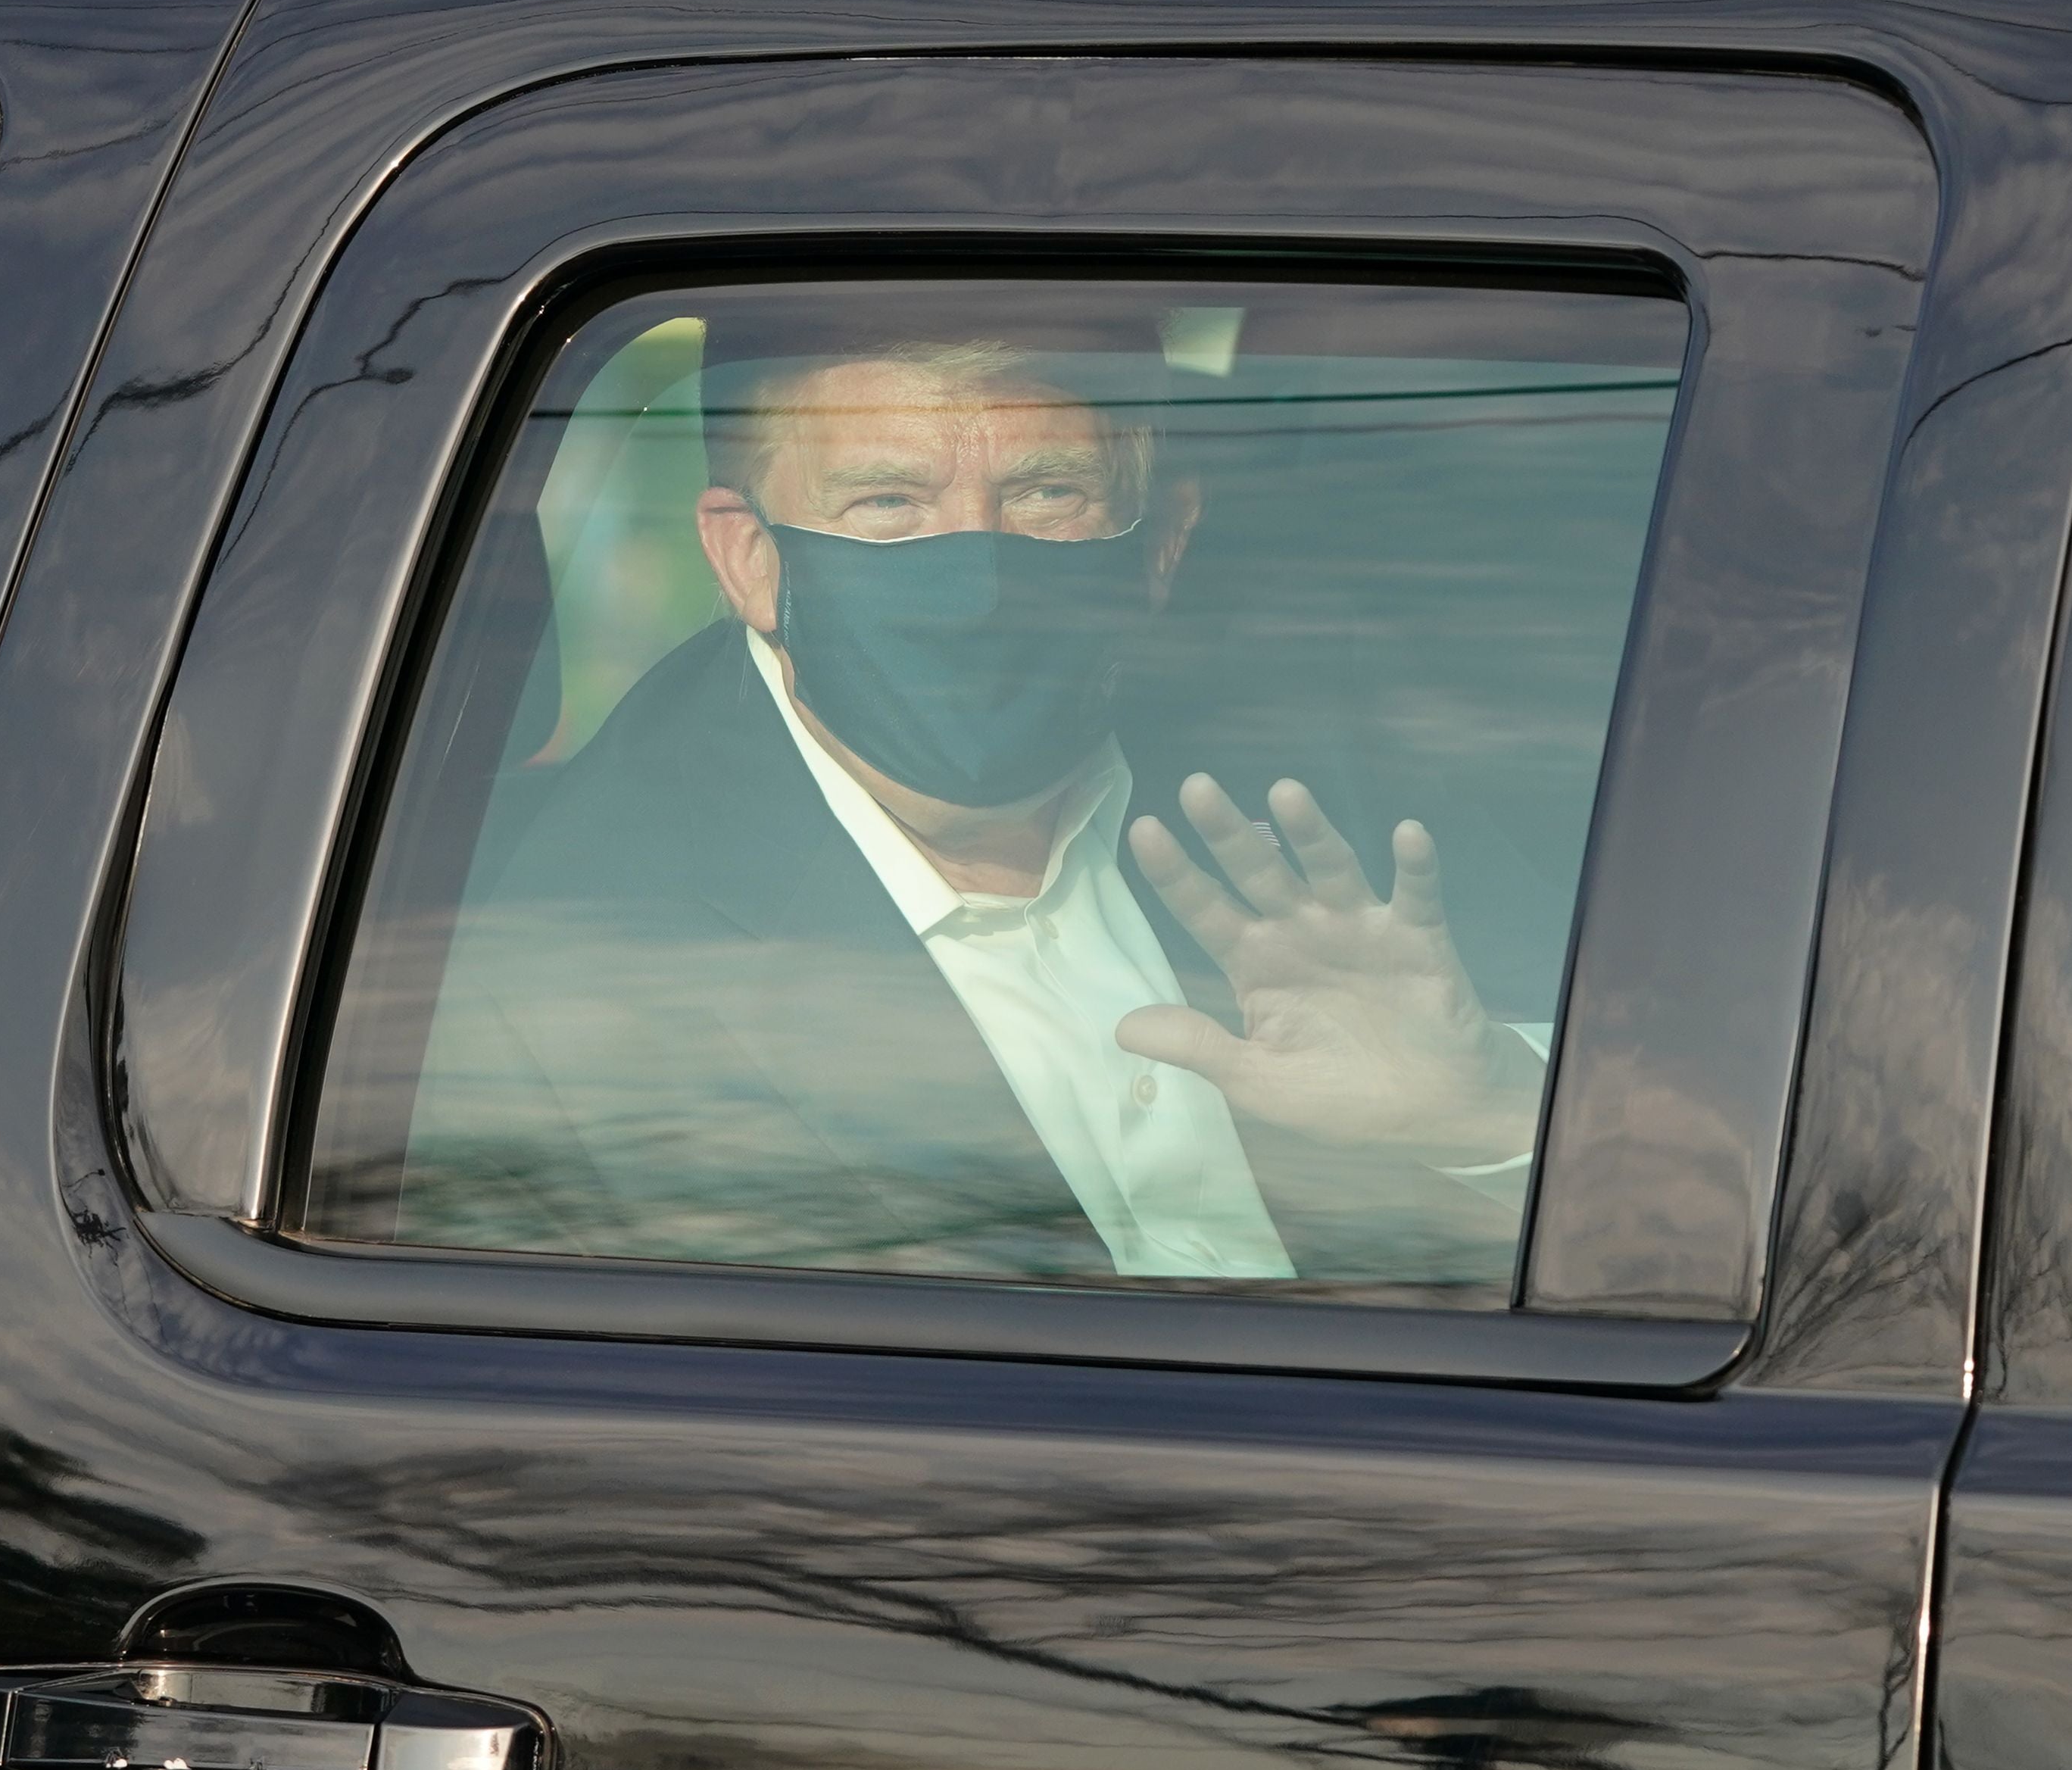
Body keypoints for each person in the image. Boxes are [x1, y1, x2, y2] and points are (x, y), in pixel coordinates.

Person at [389, 333, 1545, 1284]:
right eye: (888, 503)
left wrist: (1487, 1118)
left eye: (1048, 494)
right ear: (750, 561)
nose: (979, 576)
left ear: (1161, 543)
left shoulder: (1333, 782)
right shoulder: (550, 971)